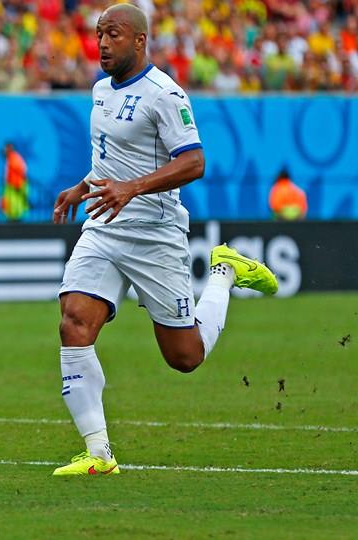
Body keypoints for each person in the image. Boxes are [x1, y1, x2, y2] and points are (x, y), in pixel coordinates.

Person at [50, 4, 279, 476]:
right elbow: (112, 160)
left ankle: (224, 272)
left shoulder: (164, 94)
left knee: (184, 357)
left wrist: (132, 188)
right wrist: (84, 185)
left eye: (113, 34)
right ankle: (98, 454)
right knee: (74, 322)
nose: (102, 43)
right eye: (98, 35)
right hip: (105, 225)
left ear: (139, 40)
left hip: (155, 235)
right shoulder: (98, 91)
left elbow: (194, 162)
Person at [0, 142, 28, 221]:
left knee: (15, 209)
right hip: (12, 187)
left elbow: (20, 171)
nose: (4, 150)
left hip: (15, 187)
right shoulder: (11, 158)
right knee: (10, 208)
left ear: (9, 148)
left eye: (5, 148)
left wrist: (17, 185)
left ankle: (15, 222)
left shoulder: (14, 158)